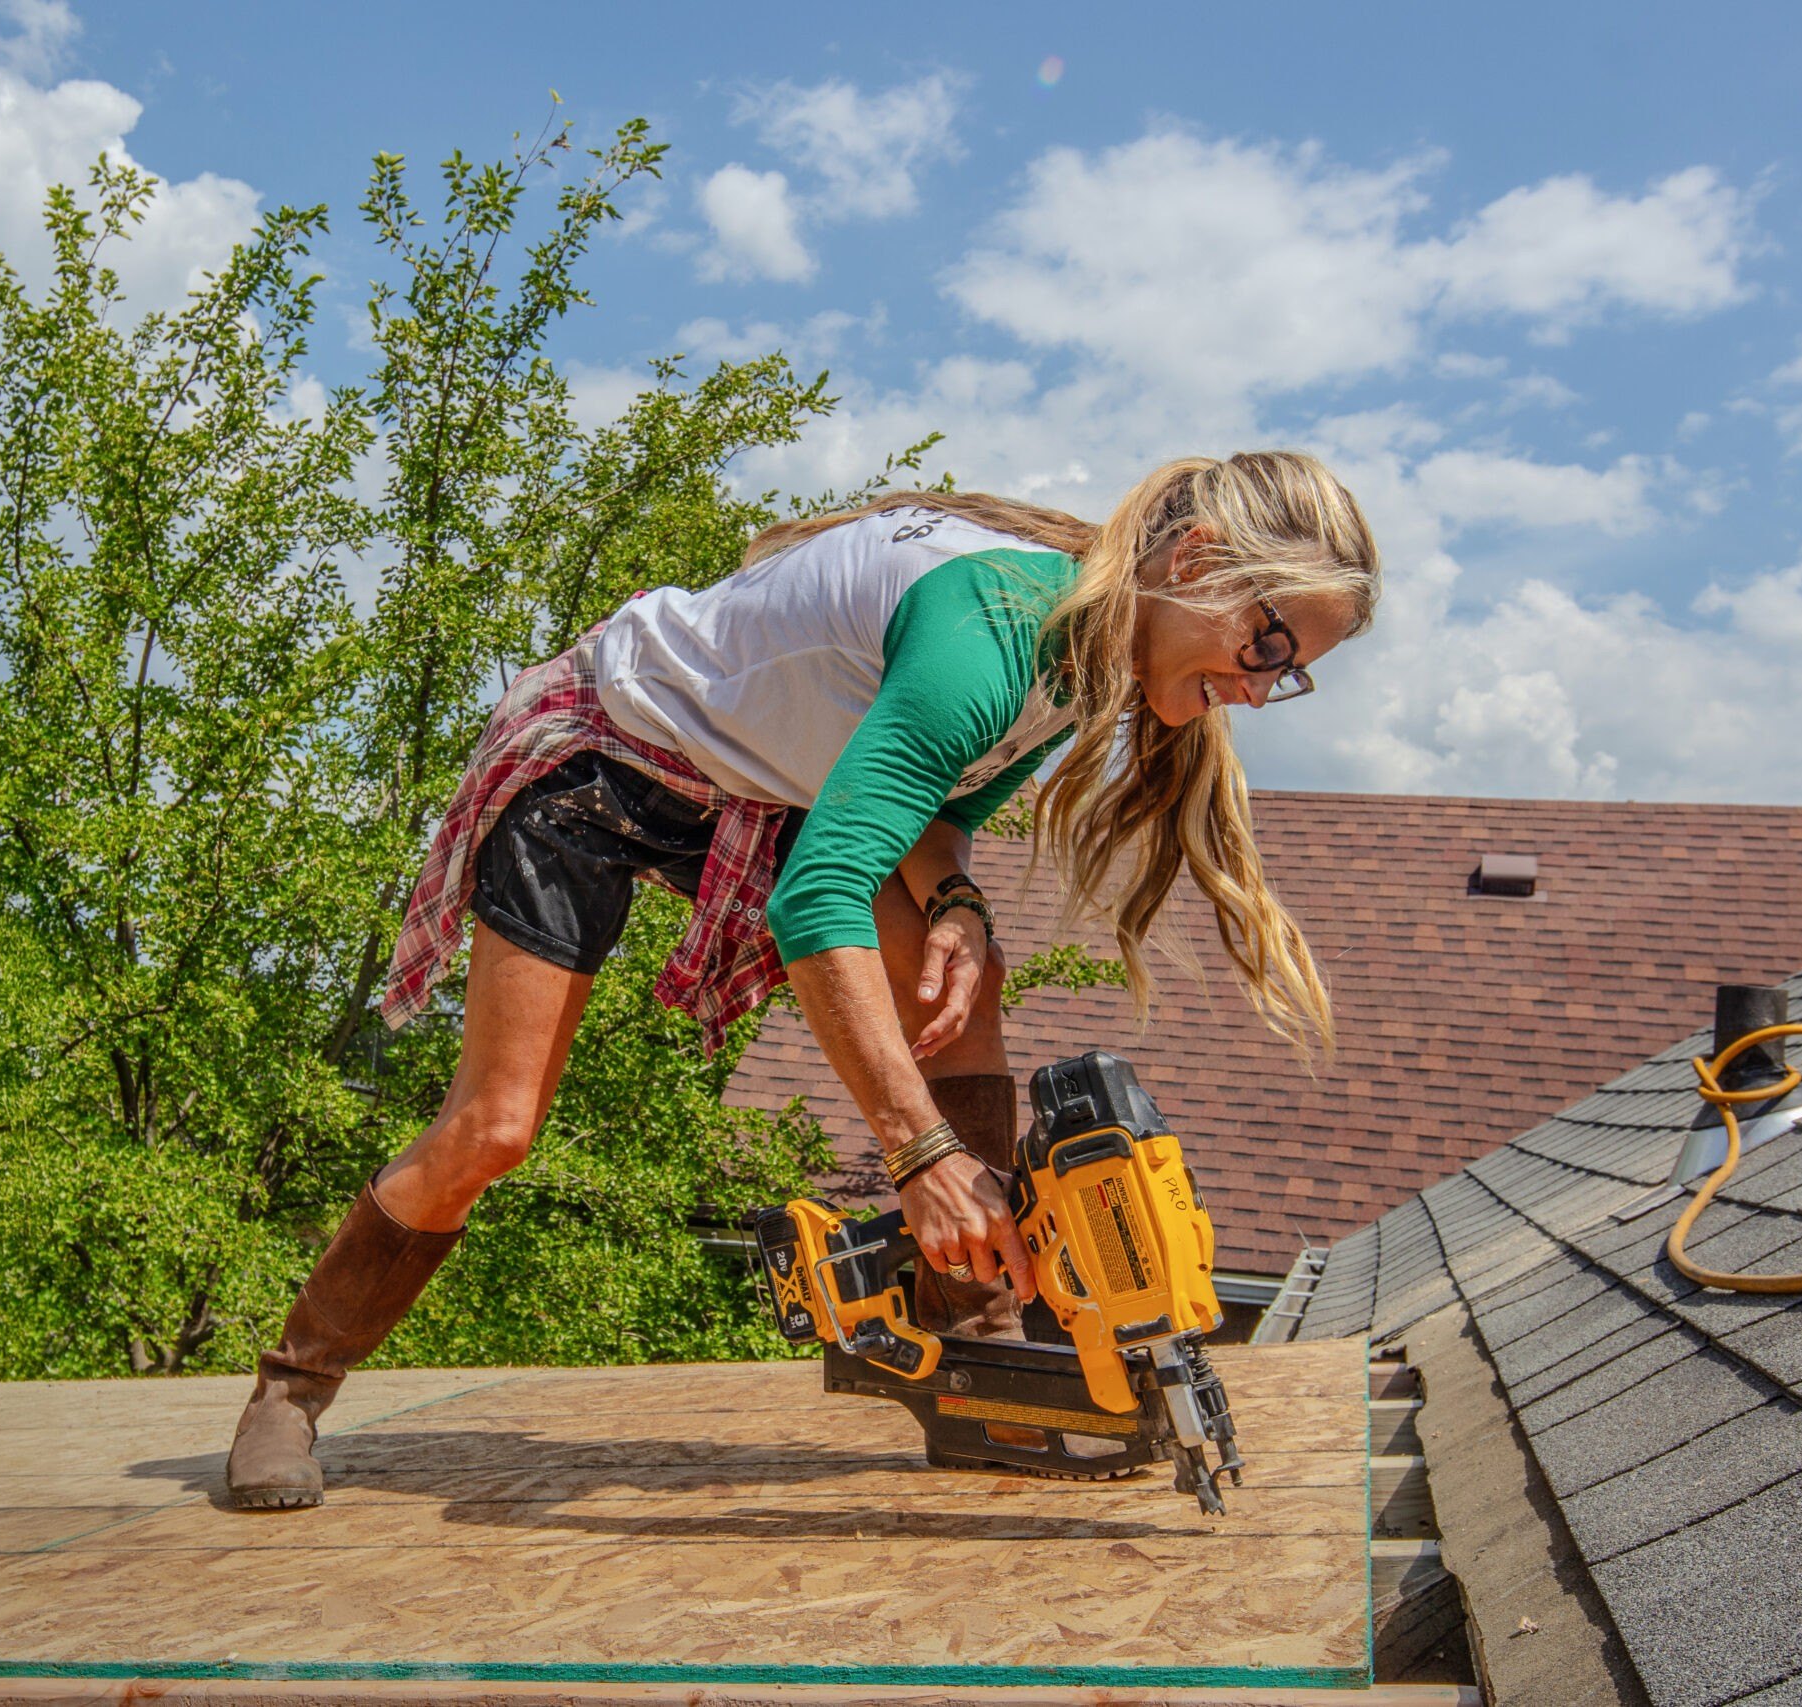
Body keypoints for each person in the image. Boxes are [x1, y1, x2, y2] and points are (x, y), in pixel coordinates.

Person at [222, 451, 1381, 1509]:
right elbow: (816, 900)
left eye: (1291, 675)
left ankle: (980, 1350)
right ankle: (293, 1385)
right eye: (1269, 646)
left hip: (761, 788)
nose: (1260, 687)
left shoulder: (1084, 663)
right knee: (495, 1128)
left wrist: (958, 900)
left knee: (965, 977)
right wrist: (921, 1157)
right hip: (607, 758)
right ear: (1196, 563)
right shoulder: (992, 639)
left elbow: (930, 812)